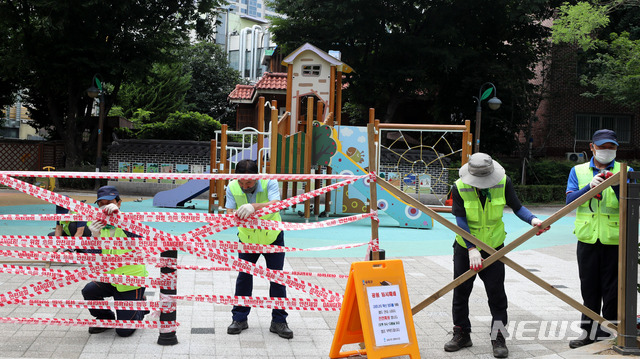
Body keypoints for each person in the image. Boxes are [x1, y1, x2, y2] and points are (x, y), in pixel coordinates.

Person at [444, 153, 549, 359]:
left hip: (494, 247)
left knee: (497, 294)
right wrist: (471, 248)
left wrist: (533, 220)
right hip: (466, 248)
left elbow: (517, 207)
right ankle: (462, 334)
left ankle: (498, 338)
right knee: (461, 291)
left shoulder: (503, 182)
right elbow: (461, 220)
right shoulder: (459, 186)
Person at [565, 129, 633, 348]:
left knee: (613, 289)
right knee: (589, 287)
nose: (606, 151)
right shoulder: (578, 171)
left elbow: (634, 203)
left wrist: (615, 183)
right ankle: (589, 332)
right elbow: (569, 203)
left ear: (616, 149)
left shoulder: (626, 170)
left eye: (611, 147)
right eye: (602, 147)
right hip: (588, 239)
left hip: (615, 240)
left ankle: (611, 330)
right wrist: (589, 186)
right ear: (592, 147)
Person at [225, 159, 293, 339]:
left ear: (257, 177)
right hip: (247, 238)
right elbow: (229, 211)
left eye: (249, 182)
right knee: (244, 278)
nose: (244, 185)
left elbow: (276, 204)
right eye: (241, 181)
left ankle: (279, 321)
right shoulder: (231, 186)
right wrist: (233, 215)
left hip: (272, 237)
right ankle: (239, 318)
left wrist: (254, 207)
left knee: (277, 277)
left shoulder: (269, 181)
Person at [81, 185, 148, 337]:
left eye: (109, 202)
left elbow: (140, 242)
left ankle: (140, 306)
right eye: (101, 204)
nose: (105, 207)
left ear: (119, 203)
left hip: (130, 282)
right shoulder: (97, 225)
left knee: (123, 332)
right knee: (89, 290)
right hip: (110, 279)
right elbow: (92, 256)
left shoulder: (130, 222)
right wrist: (94, 236)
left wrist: (121, 219)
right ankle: (106, 317)